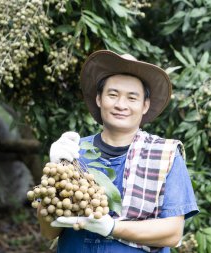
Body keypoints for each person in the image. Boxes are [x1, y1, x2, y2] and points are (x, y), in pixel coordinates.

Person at [37, 50, 199, 252]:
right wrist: (55, 167)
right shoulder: (73, 154)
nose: (121, 105)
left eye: (132, 98)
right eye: (113, 95)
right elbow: (48, 232)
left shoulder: (165, 155)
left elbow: (173, 232)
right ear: (99, 99)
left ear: (145, 105)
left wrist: (112, 227)